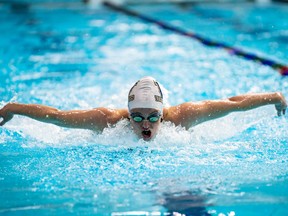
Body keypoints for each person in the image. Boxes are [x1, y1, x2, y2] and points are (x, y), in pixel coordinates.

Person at [0, 76, 286, 141]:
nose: (145, 124)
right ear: (128, 113)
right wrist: (12, 108)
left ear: (164, 114)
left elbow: (232, 105)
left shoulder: (183, 117)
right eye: (137, 116)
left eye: (152, 117)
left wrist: (274, 96)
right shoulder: (108, 121)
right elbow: (57, 116)